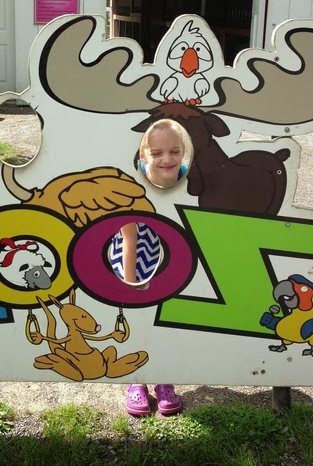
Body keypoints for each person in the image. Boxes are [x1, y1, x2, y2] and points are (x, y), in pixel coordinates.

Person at [111, 119, 190, 416]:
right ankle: (138, 380)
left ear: (183, 152)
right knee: (140, 318)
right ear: (144, 155)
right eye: (157, 153)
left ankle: (163, 377)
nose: (167, 159)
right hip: (134, 253)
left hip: (171, 254)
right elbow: (129, 238)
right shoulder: (134, 184)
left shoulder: (186, 177)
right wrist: (132, 282)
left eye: (174, 151)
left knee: (166, 318)